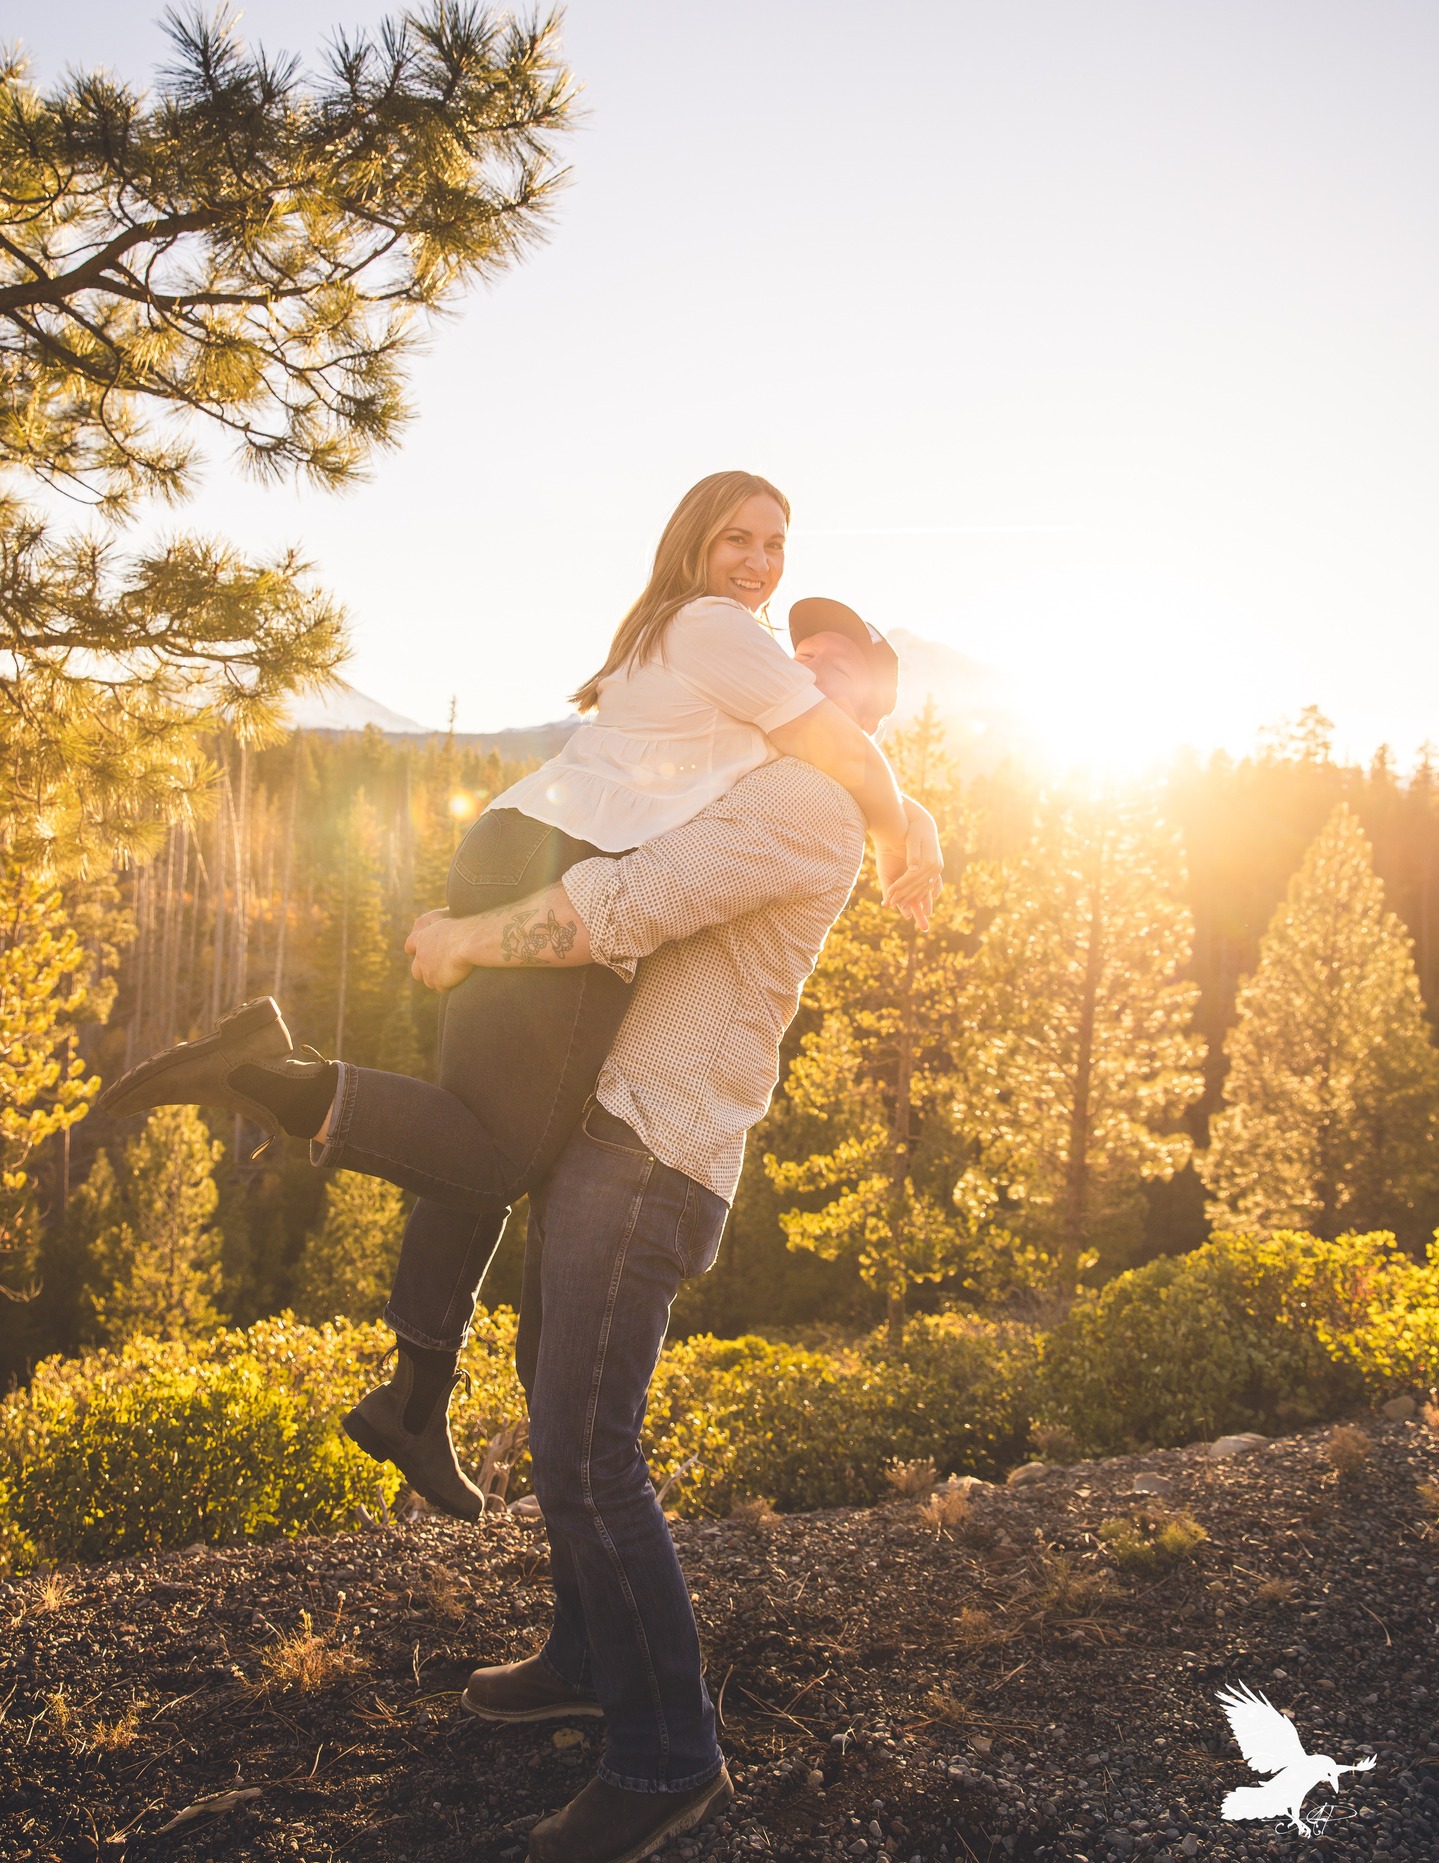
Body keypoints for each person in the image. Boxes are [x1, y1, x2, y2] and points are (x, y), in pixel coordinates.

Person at [95, 472, 941, 1521]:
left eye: (776, 545)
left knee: (476, 1135)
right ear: (694, 545)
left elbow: (822, 755)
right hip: (549, 869)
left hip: (520, 848)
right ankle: (269, 1077)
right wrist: (913, 827)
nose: (761, 566)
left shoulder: (720, 657)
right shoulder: (723, 630)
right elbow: (844, 752)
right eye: (738, 538)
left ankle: (414, 1392)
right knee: (502, 1151)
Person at [406, 611, 900, 1863]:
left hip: (649, 1155)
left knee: (586, 1455)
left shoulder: (805, 804)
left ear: (861, 716)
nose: (793, 681)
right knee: (551, 1401)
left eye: (825, 676)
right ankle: (583, 1658)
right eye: (791, 661)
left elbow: (622, 905)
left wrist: (463, 938)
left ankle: (668, 1759)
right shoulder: (751, 775)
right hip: (606, 1141)